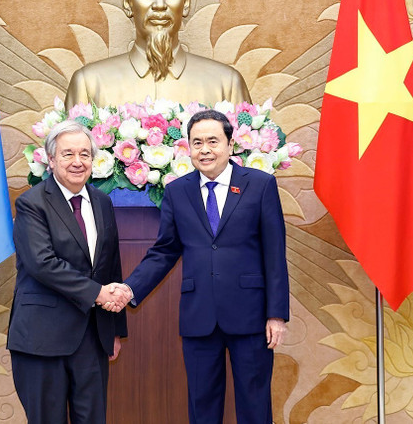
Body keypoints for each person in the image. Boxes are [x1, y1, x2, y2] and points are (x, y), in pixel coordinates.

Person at [114, 109, 289, 424]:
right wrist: (130, 287)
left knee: (255, 405)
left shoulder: (260, 185)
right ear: (188, 149)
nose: (205, 150)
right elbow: (165, 250)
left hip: (250, 314)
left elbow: (274, 253)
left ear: (230, 144)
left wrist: (276, 314)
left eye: (212, 141)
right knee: (202, 406)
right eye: (197, 143)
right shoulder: (177, 191)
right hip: (199, 316)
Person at [7, 120, 129, 424]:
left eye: (85, 154)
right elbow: (42, 263)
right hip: (41, 337)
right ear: (51, 160)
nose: (78, 162)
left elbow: (111, 265)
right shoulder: (31, 204)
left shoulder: (102, 202)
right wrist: (99, 294)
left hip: (92, 335)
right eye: (68, 154)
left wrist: (115, 330)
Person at [65, 0, 250, 108]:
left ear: (185, 2)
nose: (159, 5)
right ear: (128, 3)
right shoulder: (88, 84)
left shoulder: (227, 85)